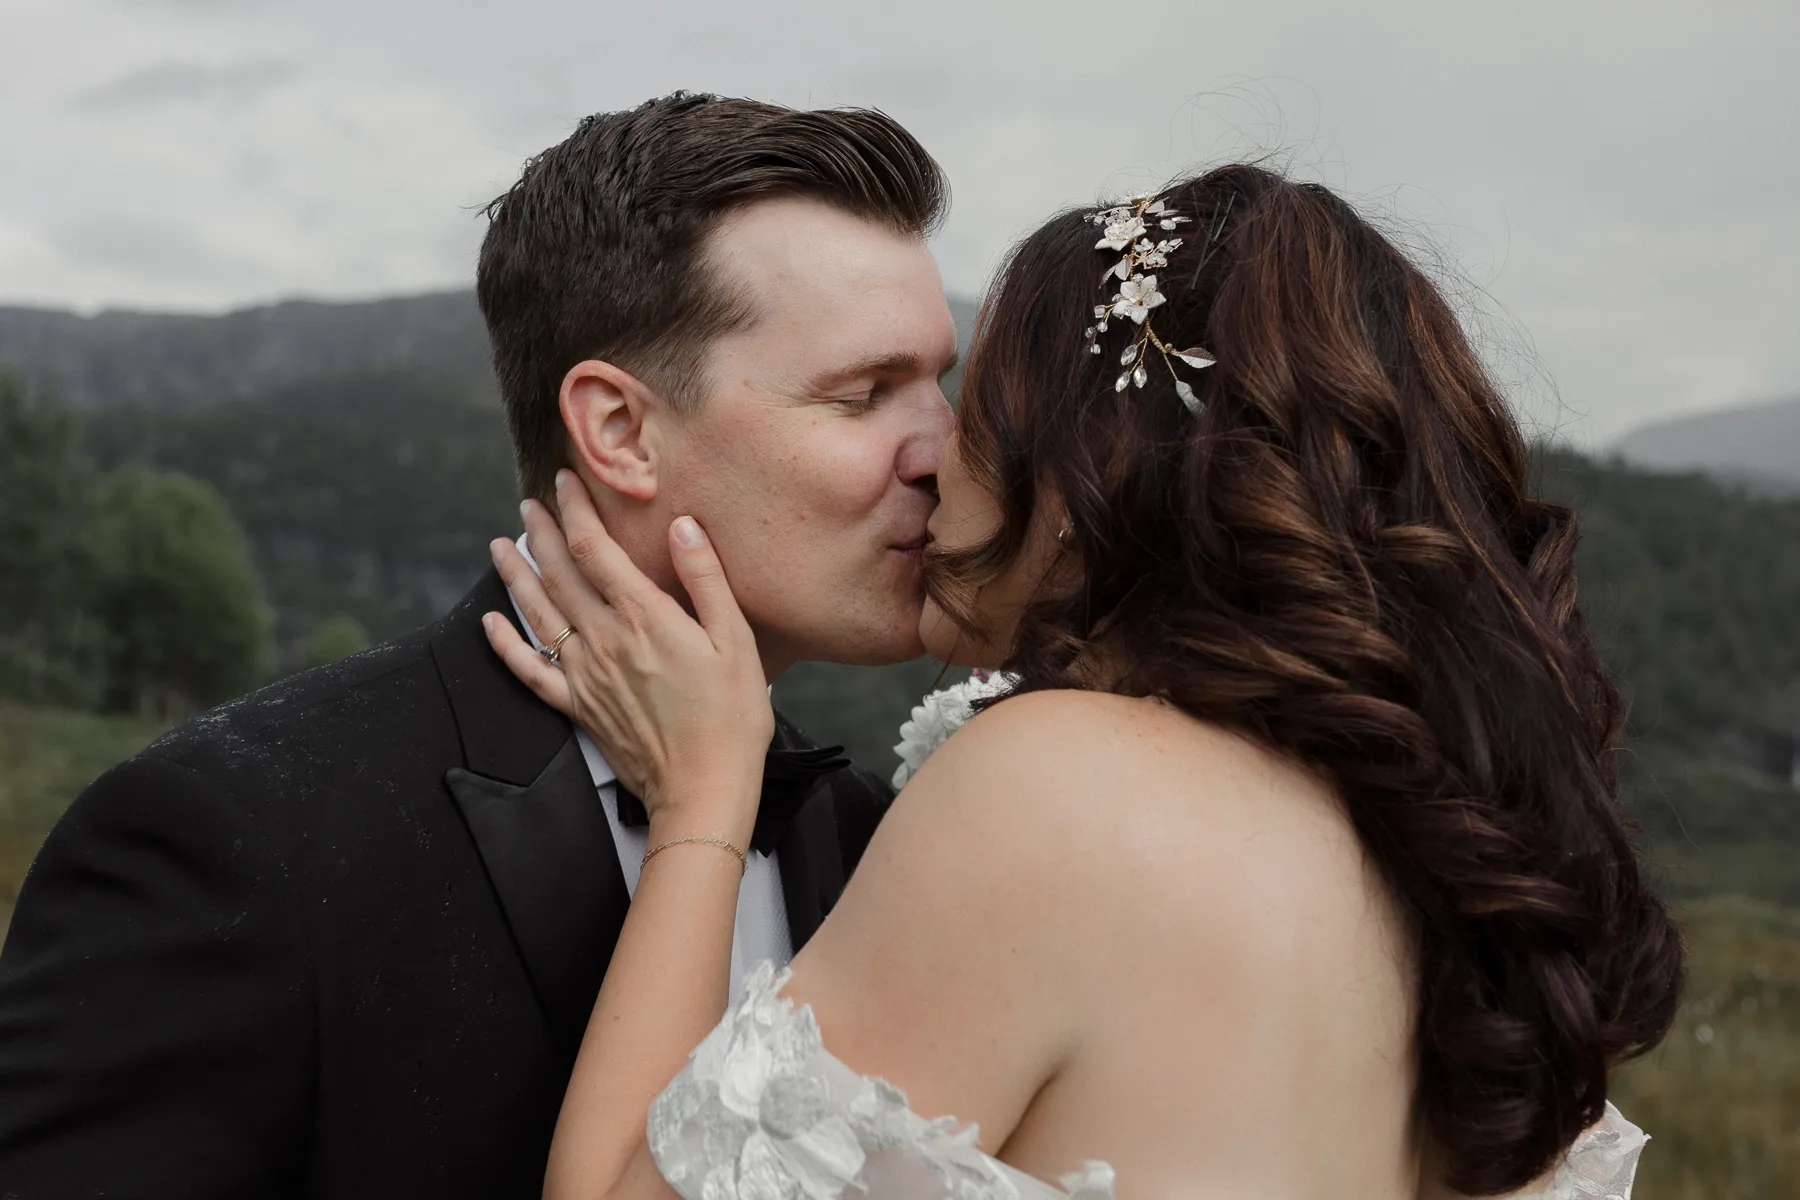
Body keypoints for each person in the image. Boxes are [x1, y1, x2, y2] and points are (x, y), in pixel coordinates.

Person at [487, 164, 1682, 1198]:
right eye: (870, 395)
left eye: (975, 404)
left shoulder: (1055, 787)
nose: (931, 455)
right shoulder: (1434, 862)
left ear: (1082, 470)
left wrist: (702, 802)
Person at [0, 94, 958, 1197]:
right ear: (620, 431)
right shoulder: (236, 836)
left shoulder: (877, 839)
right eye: (865, 394)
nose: (944, 450)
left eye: (941, 386)